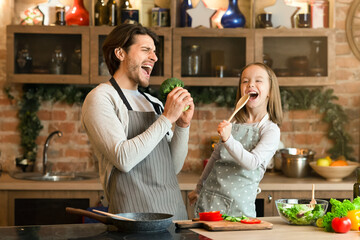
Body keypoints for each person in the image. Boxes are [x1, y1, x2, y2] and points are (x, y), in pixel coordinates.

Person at [81, 23, 194, 220]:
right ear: (120, 53)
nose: (154, 57)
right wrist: (167, 118)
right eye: (145, 50)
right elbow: (123, 159)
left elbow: (172, 167)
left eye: (154, 52)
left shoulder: (154, 103)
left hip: (174, 215)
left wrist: (182, 125)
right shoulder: (102, 98)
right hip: (132, 220)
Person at [188, 62, 282, 218]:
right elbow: (214, 159)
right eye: (245, 81)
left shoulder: (270, 130)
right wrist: (198, 189)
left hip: (239, 208)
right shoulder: (234, 124)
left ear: (270, 92)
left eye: (258, 80)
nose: (250, 84)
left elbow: (252, 163)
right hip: (211, 200)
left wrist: (228, 139)